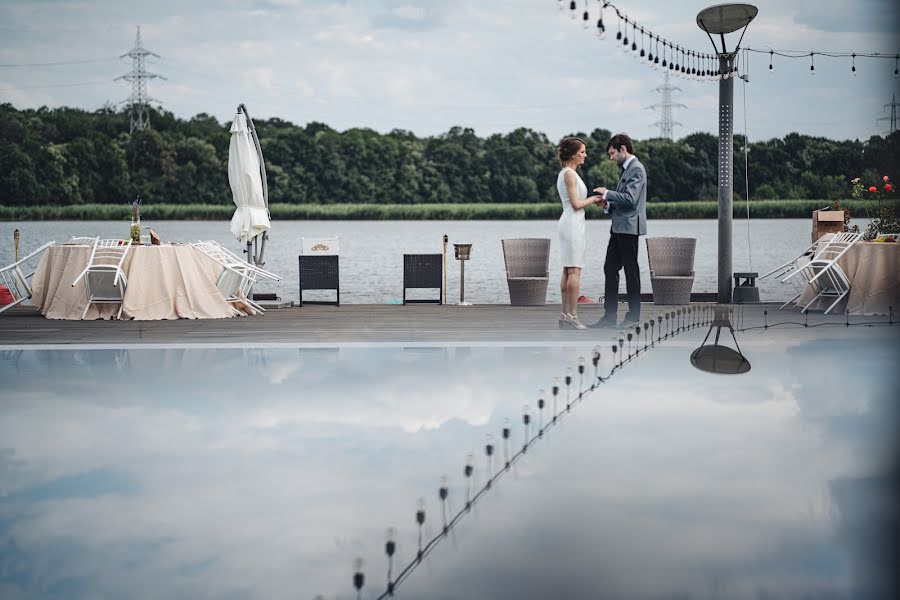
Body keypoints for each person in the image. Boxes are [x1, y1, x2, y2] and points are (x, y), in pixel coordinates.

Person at [589, 133, 647, 328]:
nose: (611, 157)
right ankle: (609, 317)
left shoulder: (636, 169)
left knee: (631, 272)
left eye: (612, 153)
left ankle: (633, 317)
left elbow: (631, 200)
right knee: (610, 268)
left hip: (629, 229)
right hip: (619, 228)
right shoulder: (628, 169)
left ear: (623, 149)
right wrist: (607, 205)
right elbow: (624, 202)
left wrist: (607, 192)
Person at [556, 137, 604, 330]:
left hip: (572, 222)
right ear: (573, 154)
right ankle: (573, 316)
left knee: (568, 270)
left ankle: (565, 315)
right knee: (574, 270)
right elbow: (576, 204)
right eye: (582, 152)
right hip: (572, 223)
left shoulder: (568, 173)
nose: (585, 155)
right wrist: (593, 199)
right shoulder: (569, 174)